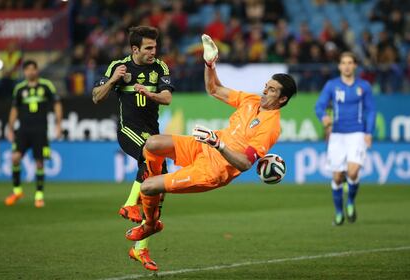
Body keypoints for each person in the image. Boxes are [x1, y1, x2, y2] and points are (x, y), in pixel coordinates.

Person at [124, 34, 297, 249]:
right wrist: (210, 64)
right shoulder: (251, 100)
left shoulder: (271, 126)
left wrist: (219, 144)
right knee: (152, 144)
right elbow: (213, 89)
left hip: (214, 170)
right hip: (204, 145)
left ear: (282, 99)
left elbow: (244, 164)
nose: (264, 91)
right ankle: (155, 193)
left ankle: (150, 224)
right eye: (266, 86)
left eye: (271, 90)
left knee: (148, 187)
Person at [92, 26, 174, 271]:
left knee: (158, 192)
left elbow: (167, 98)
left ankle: (140, 249)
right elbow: (97, 96)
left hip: (153, 134)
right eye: (149, 48)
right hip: (129, 130)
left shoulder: (160, 67)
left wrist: (148, 93)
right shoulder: (119, 66)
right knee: (149, 157)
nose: (153, 52)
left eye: (155, 47)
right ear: (135, 49)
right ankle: (129, 204)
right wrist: (115, 80)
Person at [315, 52, 376, 226]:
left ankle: (350, 201)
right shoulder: (331, 85)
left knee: (353, 172)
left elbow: (371, 110)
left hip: (357, 133)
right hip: (337, 135)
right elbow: (319, 106)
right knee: (337, 177)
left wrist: (369, 132)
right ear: (339, 66)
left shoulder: (364, 86)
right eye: (343, 63)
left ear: (355, 65)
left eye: (350, 62)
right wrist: (324, 117)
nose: (347, 66)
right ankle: (339, 212)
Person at [5, 60, 63, 208]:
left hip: (40, 130)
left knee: (39, 162)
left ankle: (39, 196)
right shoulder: (19, 88)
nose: (31, 72)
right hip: (23, 130)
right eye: (28, 69)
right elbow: (14, 109)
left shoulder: (46, 86)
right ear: (24, 72)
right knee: (15, 158)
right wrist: (10, 128)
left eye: (33, 69)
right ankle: (17, 191)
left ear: (37, 71)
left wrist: (58, 125)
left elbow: (56, 104)